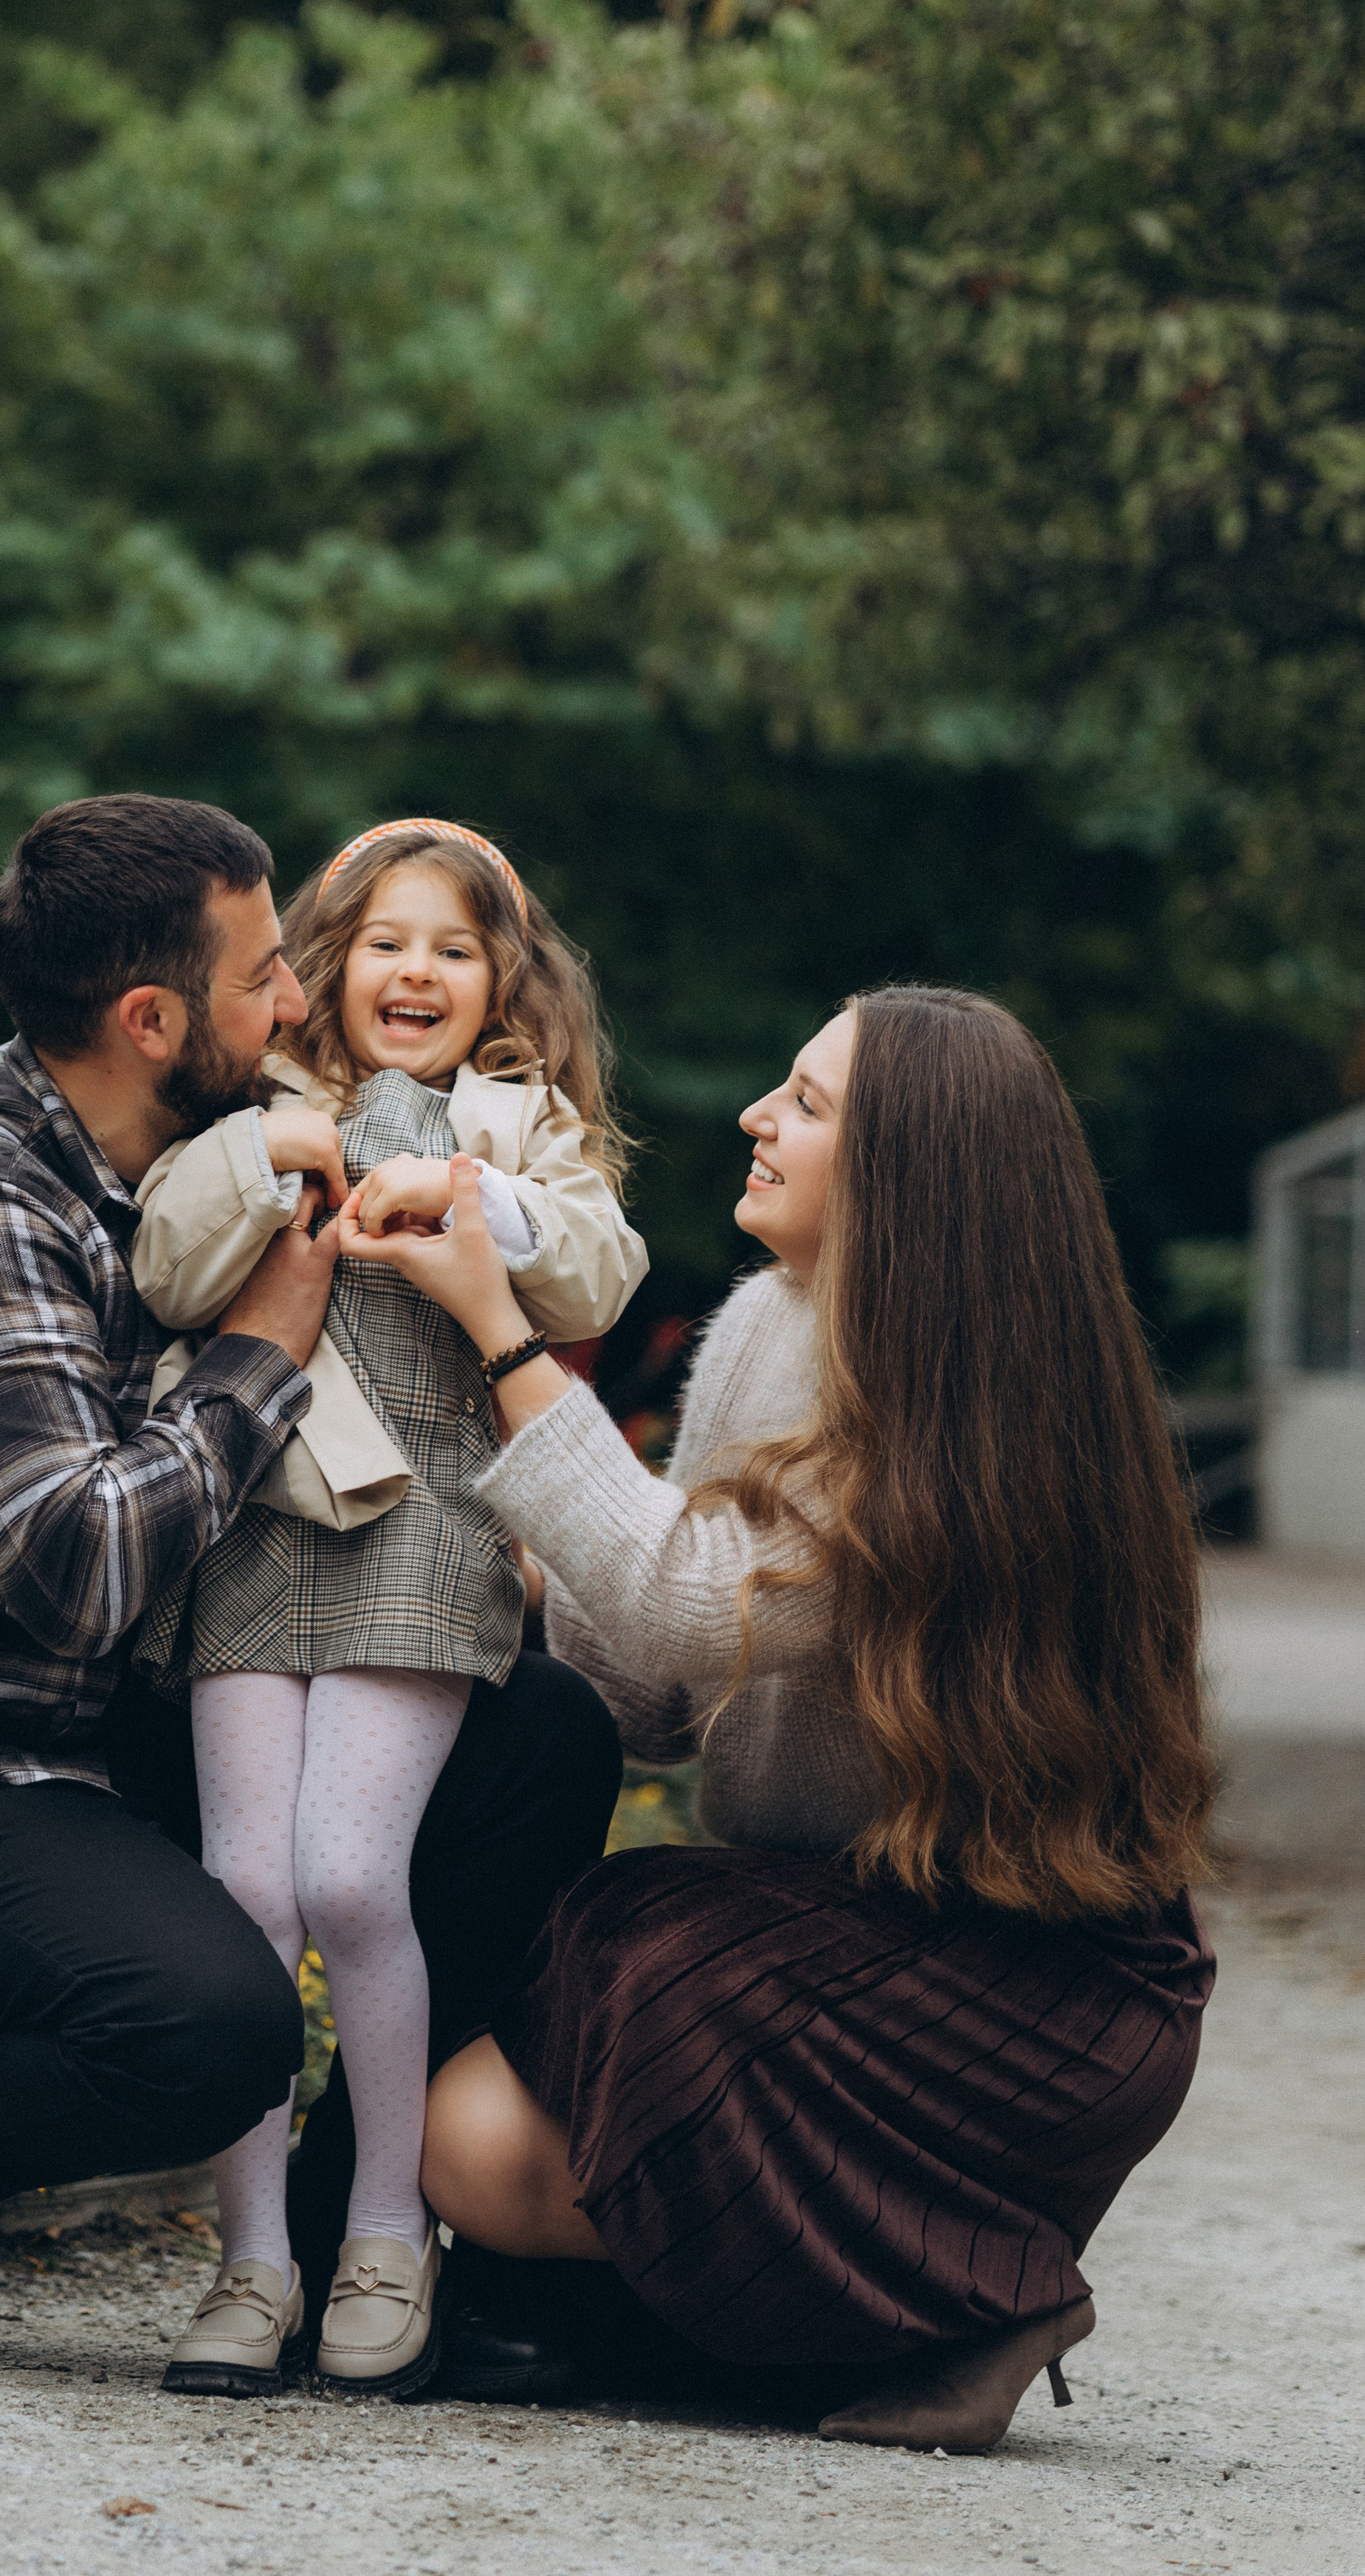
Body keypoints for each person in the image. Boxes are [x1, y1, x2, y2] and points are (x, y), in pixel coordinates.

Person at [0, 793, 621, 2377]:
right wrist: (265, 1347)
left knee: (544, 1739)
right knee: (212, 2018)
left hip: (118, 1721)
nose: (298, 997)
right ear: (153, 1021)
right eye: (261, 976)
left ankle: (360, 2228)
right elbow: (82, 1571)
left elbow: (569, 1255)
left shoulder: (188, 1144)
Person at [343, 985, 1218, 2453]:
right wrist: (484, 1569)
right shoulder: (762, 1321)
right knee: (495, 2122)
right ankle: (880, 2316)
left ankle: (984, 2290)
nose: (756, 1117)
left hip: (1025, 1986)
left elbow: (687, 1600)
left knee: (594, 2013)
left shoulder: (953, 1408)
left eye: (806, 1104)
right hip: (821, 1929)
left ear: (902, 1176)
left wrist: (502, 1333)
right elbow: (651, 1687)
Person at [129, 819, 645, 2400]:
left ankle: (380, 2230)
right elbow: (166, 1266)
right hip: (251, 1524)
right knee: (247, 1895)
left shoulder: (521, 1120)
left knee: (352, 1878)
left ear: (500, 980)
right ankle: (251, 2258)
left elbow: (598, 1268)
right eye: (386, 942)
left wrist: (469, 1191)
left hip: (423, 1522)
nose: (416, 971)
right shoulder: (250, 1103)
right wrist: (275, 1152)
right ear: (329, 961)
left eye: (454, 948)